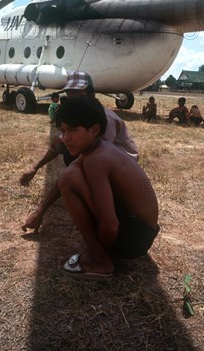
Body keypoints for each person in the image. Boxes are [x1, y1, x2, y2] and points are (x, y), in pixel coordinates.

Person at [20, 70, 139, 233]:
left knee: (71, 177)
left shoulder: (103, 118)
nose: (72, 99)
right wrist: (35, 167)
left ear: (91, 94)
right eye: (69, 94)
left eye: (78, 94)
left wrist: (41, 211)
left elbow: (77, 168)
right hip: (106, 167)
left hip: (122, 177)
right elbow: (61, 145)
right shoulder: (81, 115)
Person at [56, 96, 159, 280]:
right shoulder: (99, 149)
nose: (65, 138)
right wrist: (40, 213)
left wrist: (96, 250)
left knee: (69, 179)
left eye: (72, 130)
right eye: (63, 131)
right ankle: (102, 254)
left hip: (135, 237)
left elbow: (110, 225)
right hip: (142, 231)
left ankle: (100, 261)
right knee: (71, 174)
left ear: (94, 129)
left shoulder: (97, 159)